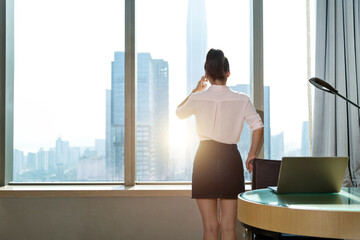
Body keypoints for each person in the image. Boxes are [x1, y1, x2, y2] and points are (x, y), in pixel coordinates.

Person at [176, 48, 264, 240]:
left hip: (204, 160)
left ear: (206, 74)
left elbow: (179, 112)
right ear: (228, 72)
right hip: (230, 160)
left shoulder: (198, 97)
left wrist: (196, 90)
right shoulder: (242, 99)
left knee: (209, 227)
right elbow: (258, 126)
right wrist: (252, 154)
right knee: (228, 227)